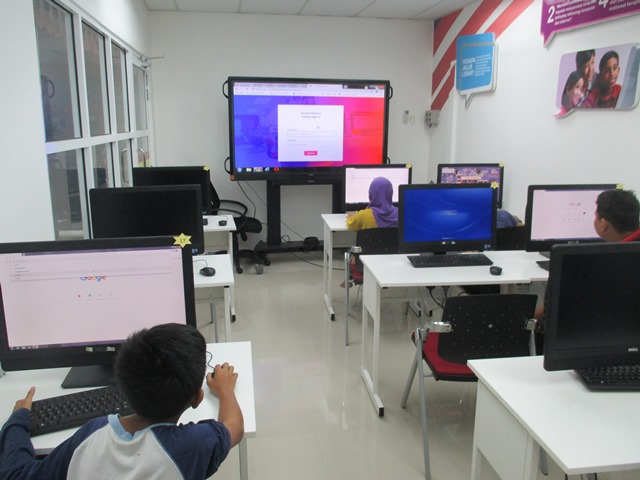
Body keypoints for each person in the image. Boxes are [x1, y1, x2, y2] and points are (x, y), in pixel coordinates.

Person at [0, 323, 244, 479]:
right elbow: (234, 426)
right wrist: (225, 390)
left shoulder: (90, 435)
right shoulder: (192, 445)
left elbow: (18, 475)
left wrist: (18, 421)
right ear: (197, 398)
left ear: (124, 388)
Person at [535, 189, 640, 333]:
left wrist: (535, 316)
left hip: (592, 336)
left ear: (603, 225)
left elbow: (557, 313)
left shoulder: (591, 266)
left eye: (596, 216)